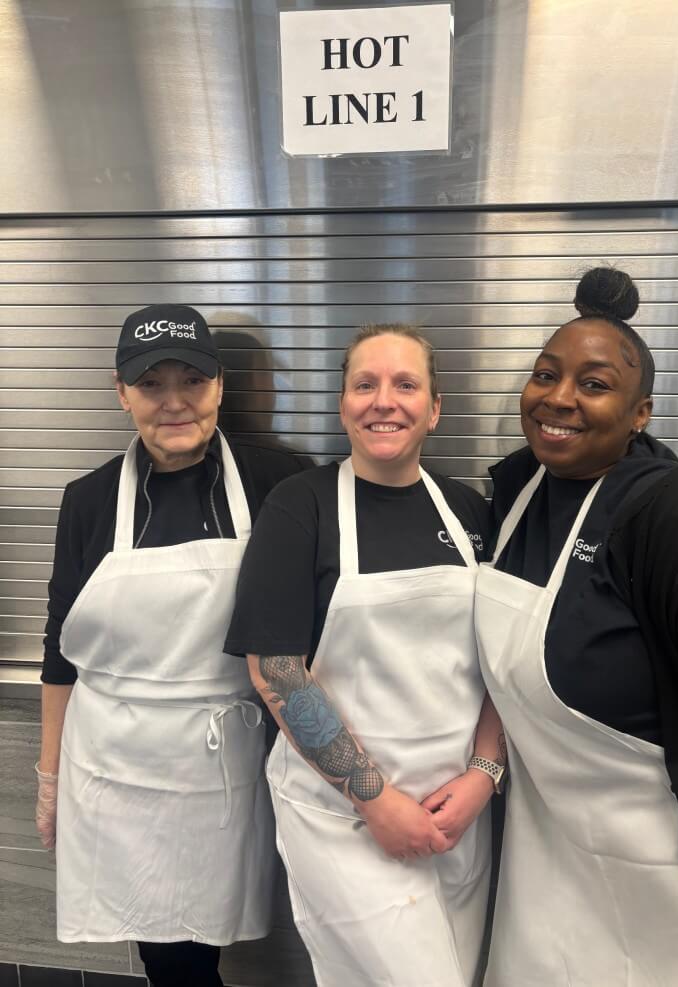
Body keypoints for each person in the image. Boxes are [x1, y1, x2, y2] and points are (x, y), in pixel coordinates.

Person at [476, 268, 678, 986]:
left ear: (641, 411)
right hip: (540, 856)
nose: (558, 398)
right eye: (546, 375)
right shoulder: (511, 496)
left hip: (661, 868)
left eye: (593, 384)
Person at [225, 324, 506, 987]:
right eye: (365, 384)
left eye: (406, 384)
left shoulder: (468, 512)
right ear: (344, 403)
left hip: (457, 815)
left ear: (434, 407)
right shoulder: (301, 506)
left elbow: (503, 659)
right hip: (345, 820)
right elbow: (277, 671)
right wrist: (378, 802)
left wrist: (485, 774)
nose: (385, 400)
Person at [36, 304, 302, 987]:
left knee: (221, 936)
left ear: (221, 386)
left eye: (194, 380)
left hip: (226, 765)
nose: (175, 402)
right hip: (118, 773)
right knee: (168, 957)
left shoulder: (284, 485)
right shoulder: (89, 501)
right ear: (121, 391)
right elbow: (61, 650)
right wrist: (48, 780)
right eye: (152, 384)